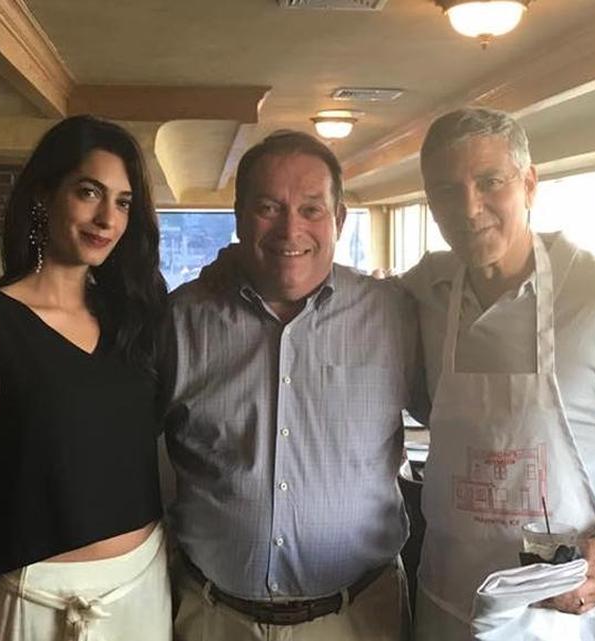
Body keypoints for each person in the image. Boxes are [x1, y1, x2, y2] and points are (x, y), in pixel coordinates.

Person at [401, 107, 595, 641]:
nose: (469, 207)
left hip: (568, 616)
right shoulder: (425, 291)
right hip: (447, 602)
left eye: (490, 182)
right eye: (446, 191)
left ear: (529, 183)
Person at [163, 130, 422, 640]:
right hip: (212, 618)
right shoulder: (180, 321)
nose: (290, 229)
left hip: (357, 619)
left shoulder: (397, 315)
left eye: (311, 209)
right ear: (238, 219)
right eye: (268, 208)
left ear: (339, 219)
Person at [0, 115, 170, 641]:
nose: (107, 217)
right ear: (44, 194)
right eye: (89, 192)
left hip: (144, 589)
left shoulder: (137, 317)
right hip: (37, 600)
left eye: (124, 202)